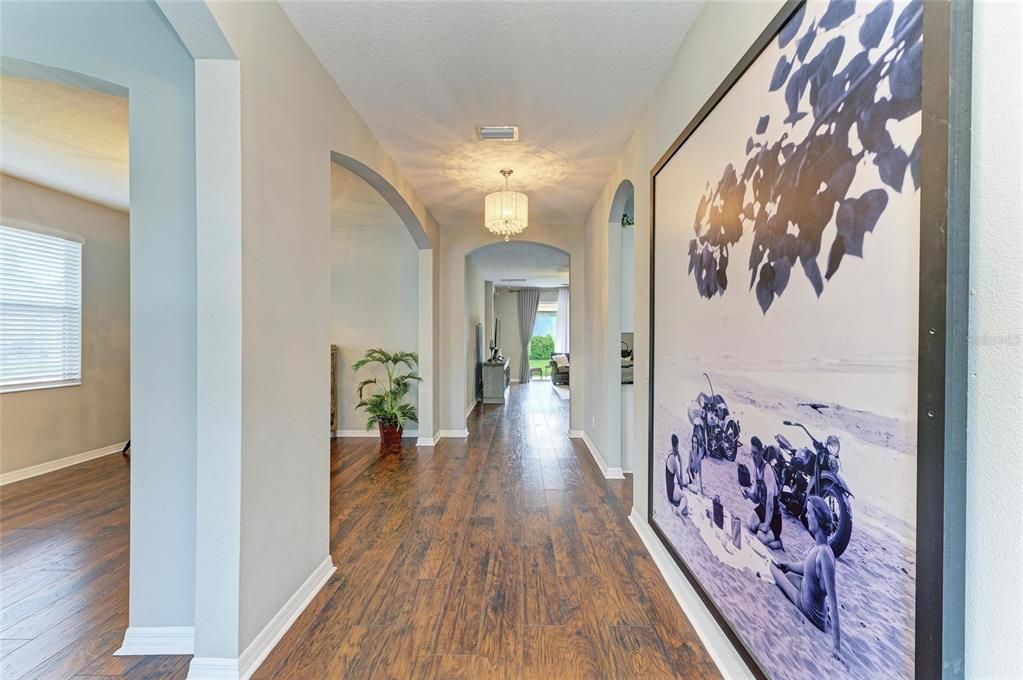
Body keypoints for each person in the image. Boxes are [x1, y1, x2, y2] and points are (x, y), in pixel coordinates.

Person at [770, 496, 843, 664]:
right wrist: (788, 565)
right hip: (806, 592)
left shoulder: (824, 554)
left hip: (808, 609)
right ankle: (787, 573)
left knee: (771, 567)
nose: (806, 516)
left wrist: (836, 646)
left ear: (818, 518)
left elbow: (833, 601)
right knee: (786, 574)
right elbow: (806, 568)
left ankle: (822, 619)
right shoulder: (820, 548)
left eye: (810, 513)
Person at [742, 437, 783, 550]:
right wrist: (748, 494)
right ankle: (766, 530)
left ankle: (778, 543)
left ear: (761, 452)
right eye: (752, 453)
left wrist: (766, 523)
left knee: (760, 536)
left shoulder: (767, 470)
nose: (753, 456)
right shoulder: (756, 470)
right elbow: (756, 498)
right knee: (750, 524)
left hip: (774, 516)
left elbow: (770, 502)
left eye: (755, 453)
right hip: (763, 509)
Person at [665, 433, 688, 517]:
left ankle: (681, 508)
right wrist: (681, 463)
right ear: (677, 445)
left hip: (669, 487)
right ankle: (679, 510)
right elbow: (680, 482)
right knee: (685, 498)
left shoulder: (669, 454)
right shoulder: (673, 461)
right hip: (671, 494)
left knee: (679, 487)